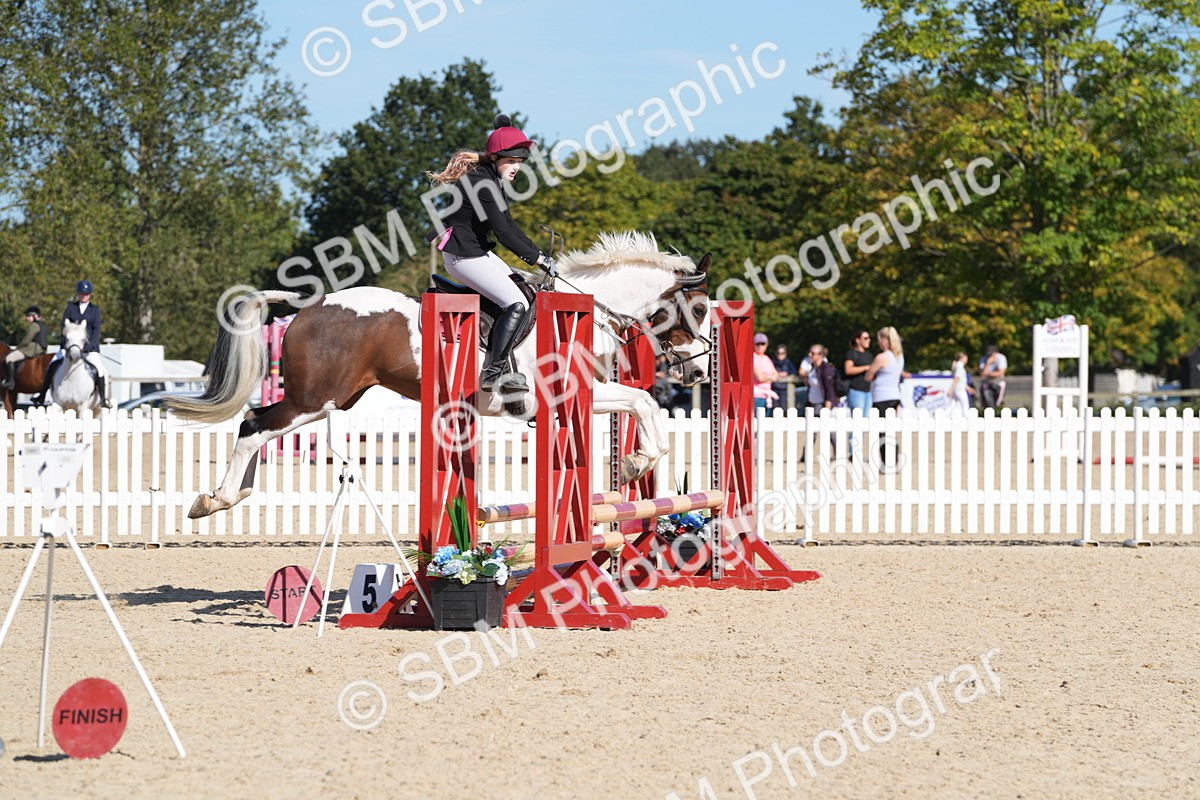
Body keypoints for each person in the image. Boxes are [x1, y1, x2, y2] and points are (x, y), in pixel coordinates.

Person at [425, 114, 559, 393]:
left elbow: (509, 225)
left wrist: (537, 254)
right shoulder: (483, 183)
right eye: (512, 162)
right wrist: (538, 259)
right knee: (516, 304)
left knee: (522, 290)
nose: (516, 168)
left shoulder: (490, 179)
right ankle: (492, 373)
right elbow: (505, 234)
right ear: (497, 158)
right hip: (464, 257)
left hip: (476, 253)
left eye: (520, 163)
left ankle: (505, 363)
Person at [34, 280, 110, 407]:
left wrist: (89, 346)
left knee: (99, 369)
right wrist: (66, 345)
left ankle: (102, 399)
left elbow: (96, 330)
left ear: (90, 294)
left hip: (88, 349)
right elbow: (63, 328)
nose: (83, 296)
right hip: (69, 348)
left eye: (86, 294)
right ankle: (42, 395)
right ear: (78, 294)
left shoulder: (94, 310)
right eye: (81, 293)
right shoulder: (71, 308)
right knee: (51, 365)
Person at [2, 306, 49, 388]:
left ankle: (10, 381)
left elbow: (27, 340)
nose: (27, 318)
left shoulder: (34, 325)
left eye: (28, 316)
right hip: (42, 349)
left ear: (34, 316)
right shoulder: (44, 325)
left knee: (9, 358)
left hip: (32, 349)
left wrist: (18, 348)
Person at [867, 326, 905, 414]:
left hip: (881, 396)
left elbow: (868, 377)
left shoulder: (882, 357)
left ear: (884, 339)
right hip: (895, 394)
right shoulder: (900, 357)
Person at [752, 332, 780, 411]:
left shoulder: (766, 358)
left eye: (762, 344)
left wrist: (767, 377)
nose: (760, 346)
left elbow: (776, 375)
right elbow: (760, 378)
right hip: (756, 395)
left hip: (767, 395)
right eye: (757, 344)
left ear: (766, 345)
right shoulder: (753, 357)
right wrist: (771, 377)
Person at [805, 345, 837, 412]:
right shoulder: (813, 367)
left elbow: (830, 390)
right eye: (810, 352)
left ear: (821, 355)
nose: (810, 355)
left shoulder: (826, 369)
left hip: (821, 404)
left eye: (813, 353)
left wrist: (827, 409)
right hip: (811, 402)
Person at [977, 344, 1007, 409]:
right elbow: (982, 375)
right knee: (987, 404)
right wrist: (988, 363)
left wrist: (988, 373)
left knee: (997, 404)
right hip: (987, 383)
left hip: (998, 383)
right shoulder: (984, 358)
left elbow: (1000, 373)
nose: (989, 356)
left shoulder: (1001, 358)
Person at [949, 351, 974, 416]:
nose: (966, 360)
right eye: (965, 358)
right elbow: (957, 378)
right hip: (960, 389)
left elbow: (961, 381)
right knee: (965, 404)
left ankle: (945, 416)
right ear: (960, 358)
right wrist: (951, 389)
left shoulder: (958, 366)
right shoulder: (959, 366)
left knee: (952, 404)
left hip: (957, 388)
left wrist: (968, 388)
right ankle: (966, 417)